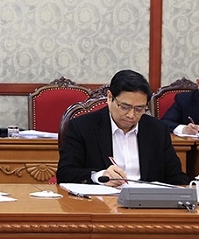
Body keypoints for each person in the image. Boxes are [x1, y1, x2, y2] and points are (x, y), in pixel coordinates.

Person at [57, 69, 189, 186]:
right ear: (110, 98)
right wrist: (99, 176)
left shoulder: (157, 130)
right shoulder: (82, 127)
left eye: (139, 108)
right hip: (101, 206)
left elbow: (176, 178)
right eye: (125, 107)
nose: (131, 115)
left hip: (146, 208)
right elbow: (65, 173)